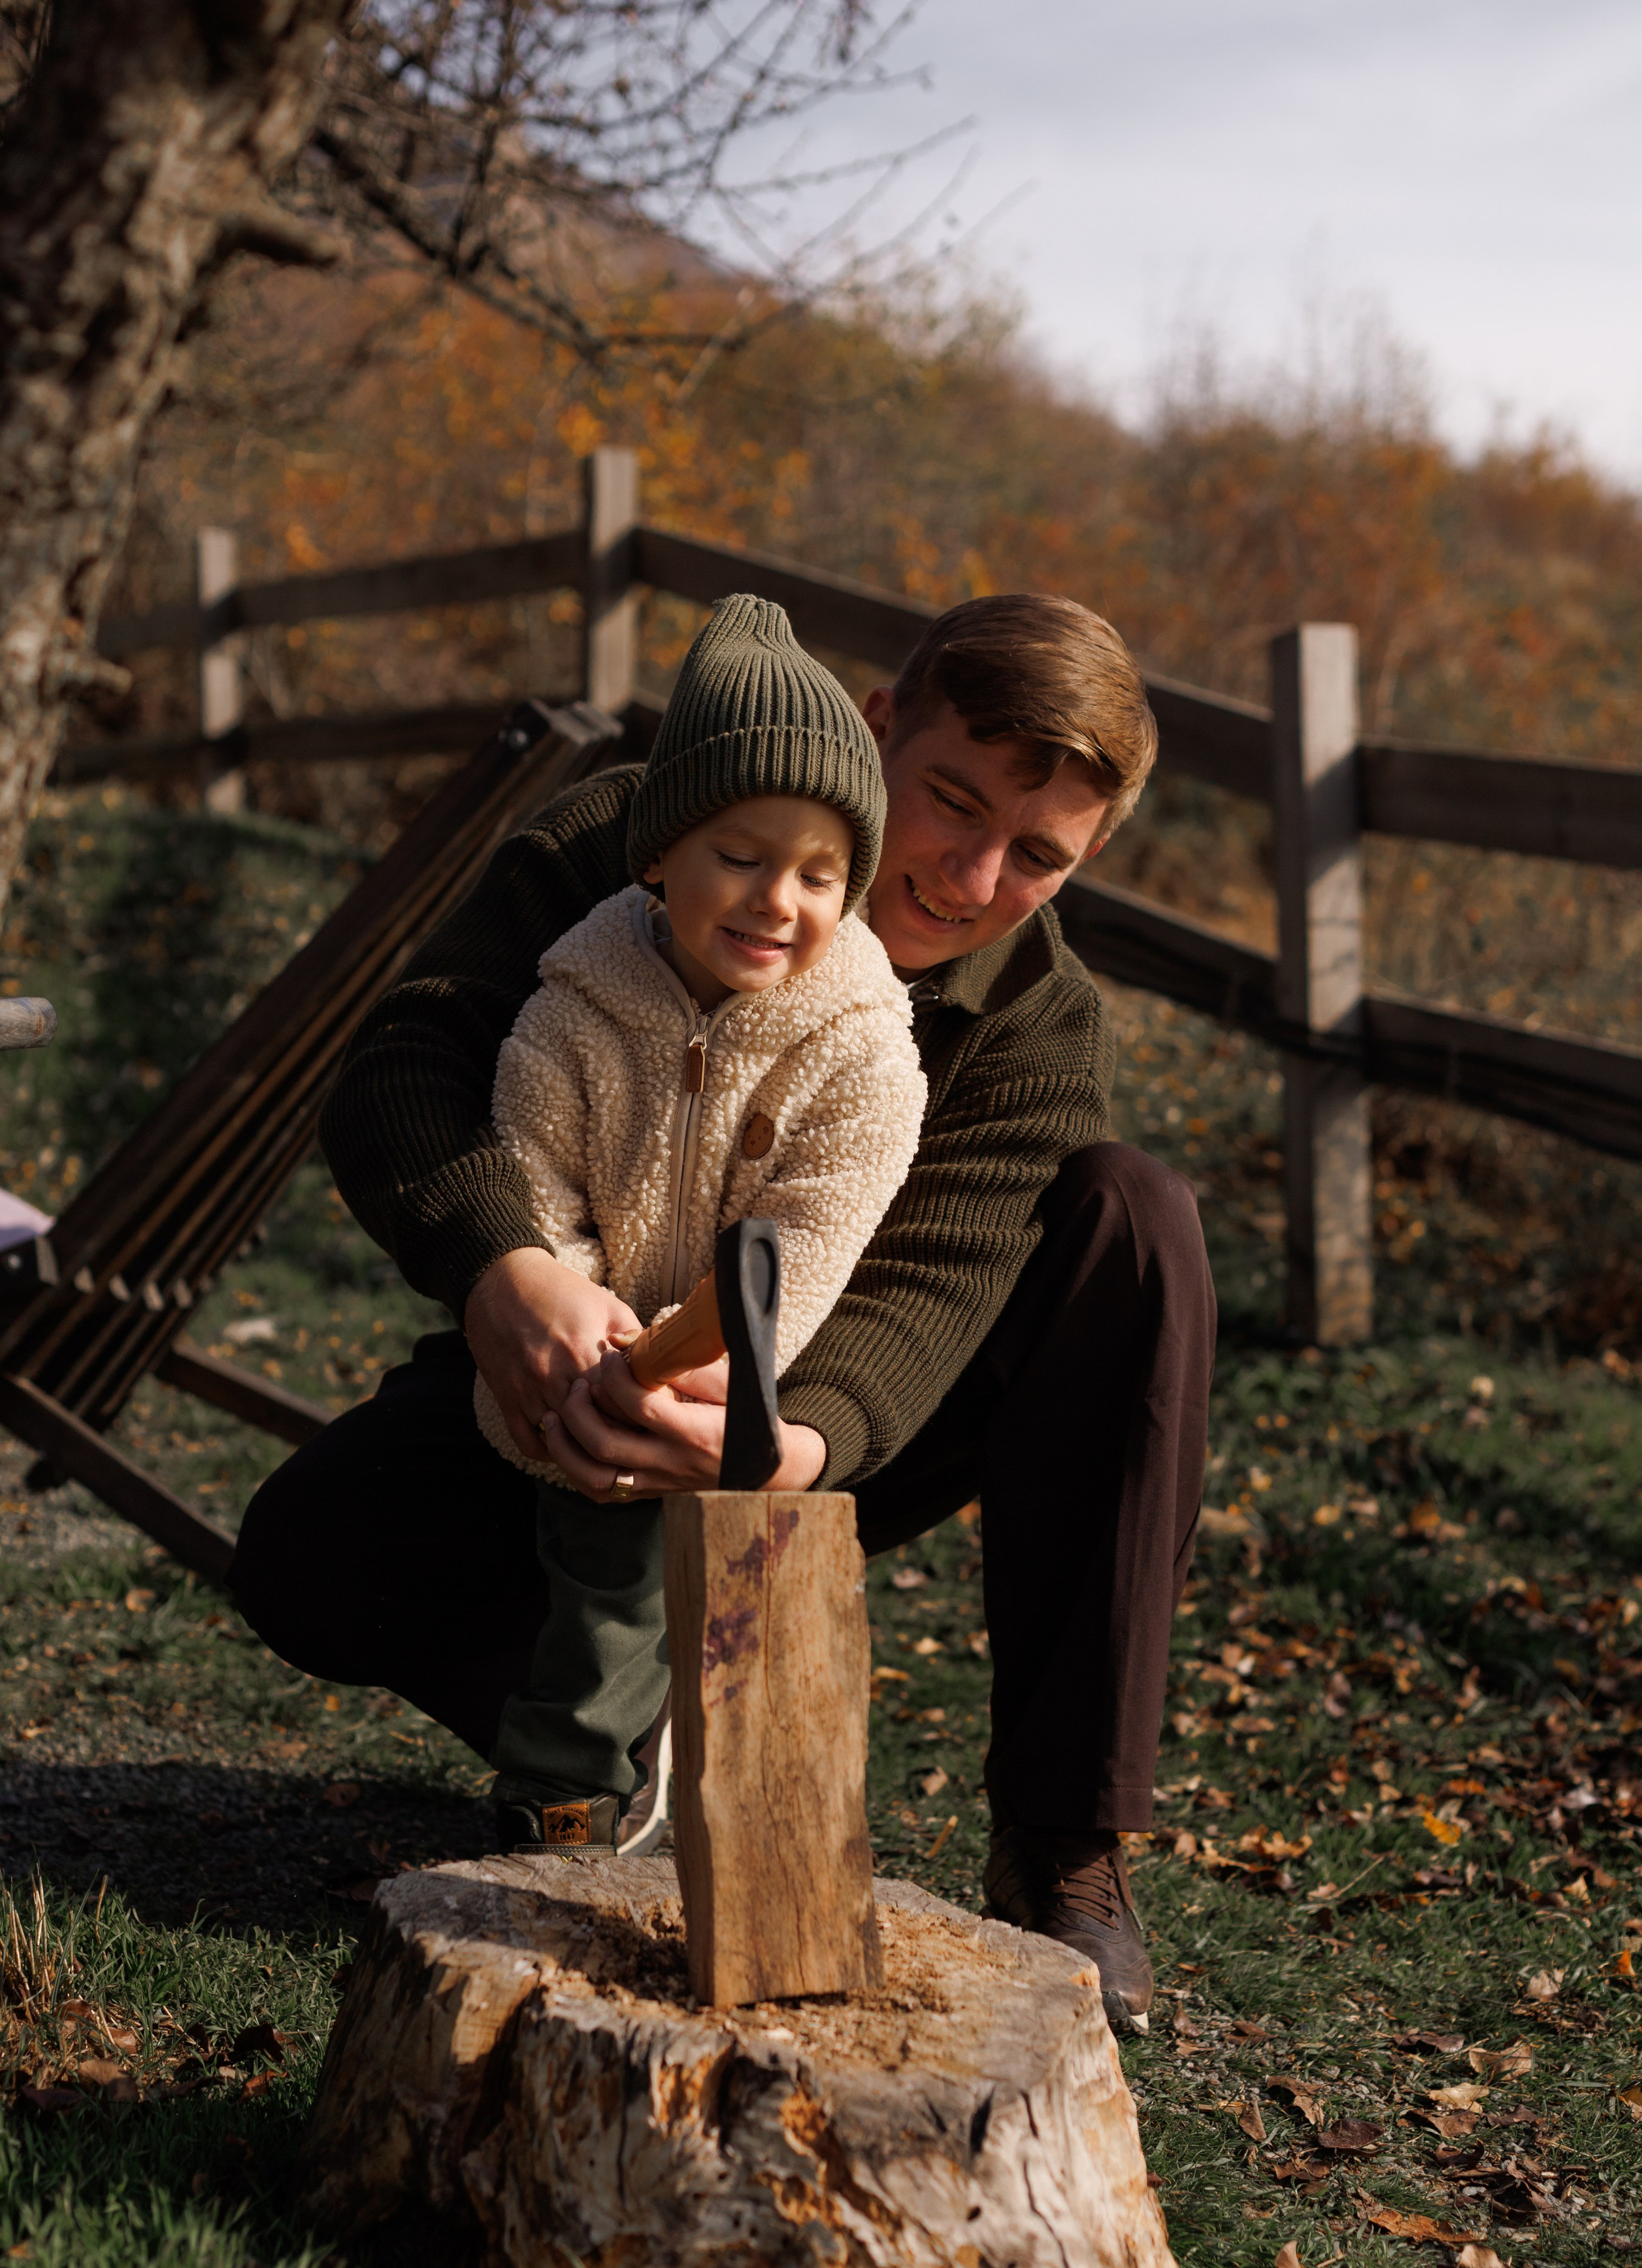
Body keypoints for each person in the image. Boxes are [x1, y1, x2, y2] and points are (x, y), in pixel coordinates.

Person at [231, 591, 1217, 2034]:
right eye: (949, 802)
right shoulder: (630, 837)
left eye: (1037, 858)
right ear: (878, 726)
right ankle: (613, 1727)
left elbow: (935, 1279)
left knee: (1135, 1217)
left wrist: (785, 1443)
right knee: (307, 1560)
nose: (967, 873)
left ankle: (1065, 1839)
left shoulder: (1037, 1025)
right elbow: (408, 1058)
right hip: (553, 1373)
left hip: (816, 1444)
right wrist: (508, 1273)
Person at [470, 594, 926, 1853]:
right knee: (599, 1581)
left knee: (751, 1602)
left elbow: (816, 1228)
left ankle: (755, 1829)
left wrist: (709, 1359)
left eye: (822, 874)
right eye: (741, 855)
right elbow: (530, 1177)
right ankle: (561, 1800)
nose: (779, 898)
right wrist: (579, 1317)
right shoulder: (572, 1009)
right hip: (588, 1367)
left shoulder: (867, 1052)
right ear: (661, 853)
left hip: (749, 1381)